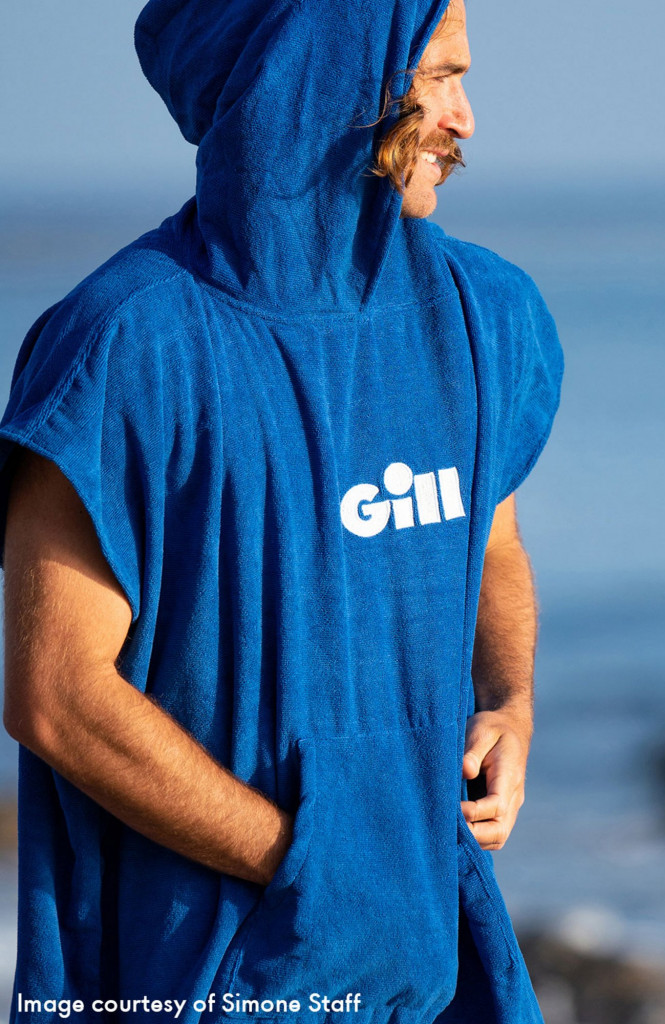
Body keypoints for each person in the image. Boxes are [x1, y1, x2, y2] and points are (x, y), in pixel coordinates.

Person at [0, 0, 562, 1021]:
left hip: (444, 964)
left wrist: (510, 703)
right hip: (196, 977)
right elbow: (55, 693)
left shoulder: (485, 317)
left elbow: (490, 542)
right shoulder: (124, 348)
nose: (465, 119)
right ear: (326, 73)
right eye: (438, 76)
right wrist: (309, 866)